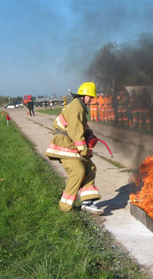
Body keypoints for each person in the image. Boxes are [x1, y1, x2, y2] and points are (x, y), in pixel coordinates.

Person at [45, 82, 103, 214]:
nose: (92, 100)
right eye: (90, 97)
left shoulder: (80, 107)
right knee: (78, 172)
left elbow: (81, 127)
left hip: (70, 142)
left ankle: (87, 202)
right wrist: (84, 150)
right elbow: (76, 132)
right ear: (83, 95)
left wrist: (89, 134)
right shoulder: (77, 107)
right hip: (64, 143)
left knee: (91, 168)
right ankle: (64, 207)